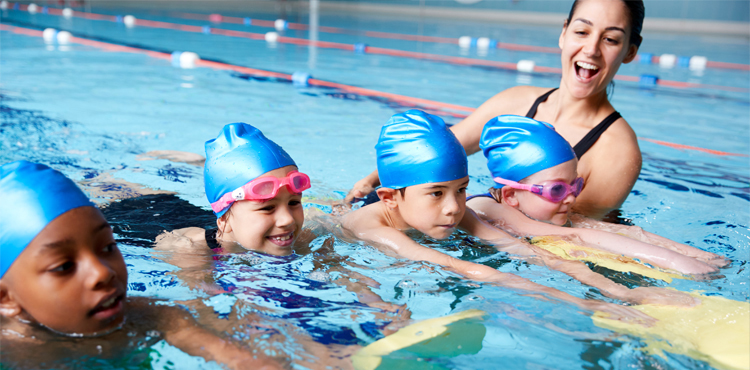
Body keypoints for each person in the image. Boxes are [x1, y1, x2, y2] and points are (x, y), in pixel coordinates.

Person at [340, 110, 675, 318]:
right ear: (389, 198)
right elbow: (461, 267)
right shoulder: (372, 227)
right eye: (437, 194)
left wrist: (621, 292)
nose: (454, 206)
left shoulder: (455, 212)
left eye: (461, 188)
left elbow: (526, 251)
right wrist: (587, 306)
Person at [346, 0, 645, 219]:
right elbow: (440, 147)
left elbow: (565, 233)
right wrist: (371, 182)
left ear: (630, 51)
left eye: (610, 39)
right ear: (564, 33)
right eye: (582, 32)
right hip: (464, 217)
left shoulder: (617, 151)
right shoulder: (516, 101)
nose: (591, 49)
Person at [0, 160, 282, 370]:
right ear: (5, 297)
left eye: (108, 248)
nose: (102, 272)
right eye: (64, 266)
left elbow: (245, 362)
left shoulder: (152, 318)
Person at [467, 115, 727, 274]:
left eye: (575, 185)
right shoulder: (487, 209)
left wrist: (699, 256)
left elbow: (607, 230)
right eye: (557, 189)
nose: (571, 198)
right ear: (511, 195)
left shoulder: (541, 210)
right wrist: (672, 261)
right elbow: (576, 234)